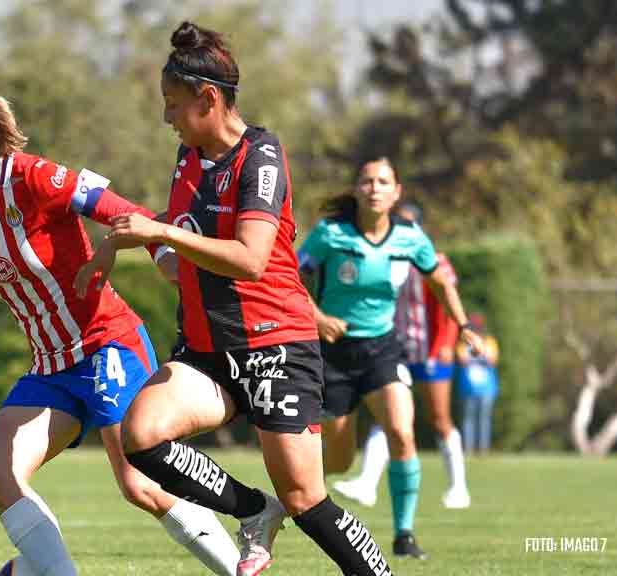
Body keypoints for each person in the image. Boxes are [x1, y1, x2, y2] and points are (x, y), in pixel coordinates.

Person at [0, 91, 241, 576]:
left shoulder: (32, 177)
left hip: (106, 344)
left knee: (143, 486)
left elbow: (126, 212)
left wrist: (168, 260)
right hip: (51, 366)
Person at [78, 21, 395, 576]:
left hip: (275, 344)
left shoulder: (261, 155)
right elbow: (179, 254)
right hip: (208, 350)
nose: (167, 117)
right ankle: (253, 511)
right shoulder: (187, 158)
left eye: (173, 105)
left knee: (307, 501)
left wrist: (164, 235)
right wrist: (124, 245)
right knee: (142, 436)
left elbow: (251, 258)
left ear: (209, 98)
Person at [297, 157, 486, 560]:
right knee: (341, 460)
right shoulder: (330, 234)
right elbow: (289, 278)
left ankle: (404, 536)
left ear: (396, 192)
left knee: (402, 431)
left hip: (383, 349)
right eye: (366, 181)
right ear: (356, 189)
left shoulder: (410, 236)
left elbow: (439, 278)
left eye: (383, 182)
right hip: (333, 354)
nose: (374, 188)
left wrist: (464, 324)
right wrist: (319, 318)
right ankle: (294, 492)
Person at [333, 199, 472, 510]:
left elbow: (448, 303)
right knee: (388, 417)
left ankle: (458, 488)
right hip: (394, 348)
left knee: (439, 419)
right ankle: (367, 483)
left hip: (430, 351)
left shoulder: (435, 260)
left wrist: (446, 345)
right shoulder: (385, 256)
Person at [457, 313, 499, 453]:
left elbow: (493, 360)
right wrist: (481, 357)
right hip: (468, 388)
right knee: (468, 419)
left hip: (487, 388)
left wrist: (478, 356)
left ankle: (483, 449)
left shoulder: (490, 341)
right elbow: (462, 360)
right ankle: (468, 449)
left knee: (484, 420)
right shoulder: (463, 343)